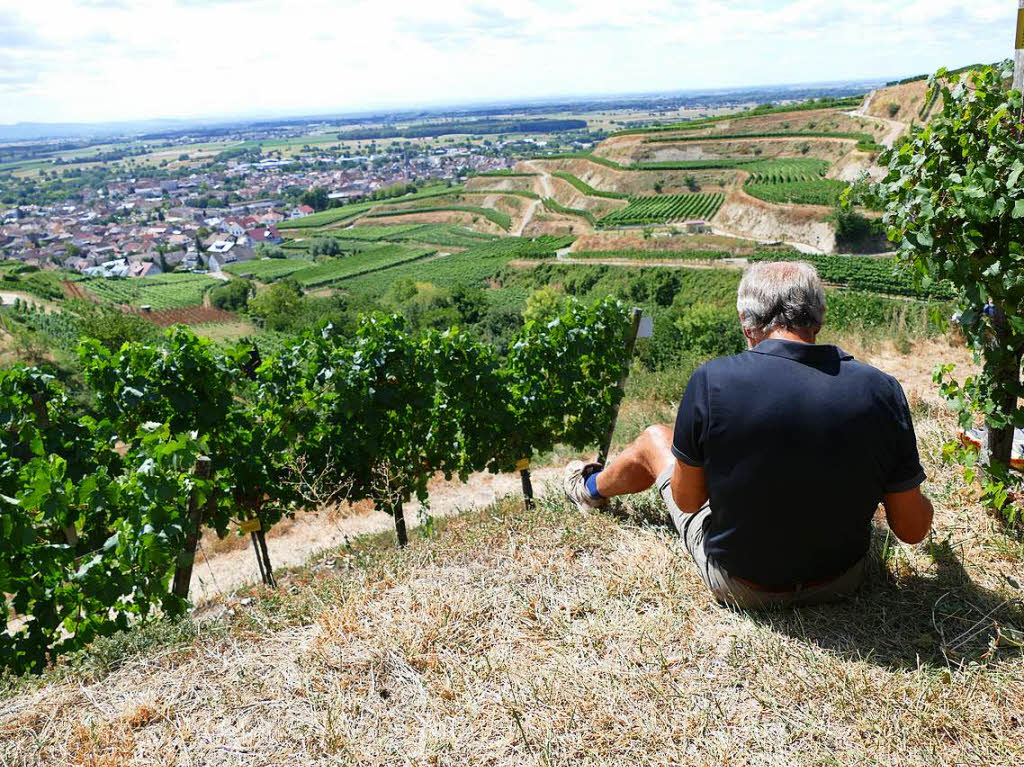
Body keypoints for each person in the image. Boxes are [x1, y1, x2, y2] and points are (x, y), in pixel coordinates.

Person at [564, 261, 934, 608]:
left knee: (653, 439)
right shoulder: (881, 389)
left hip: (741, 585)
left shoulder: (712, 381)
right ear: (818, 321)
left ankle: (588, 489)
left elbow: (689, 501)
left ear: (747, 324)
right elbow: (913, 529)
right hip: (842, 580)